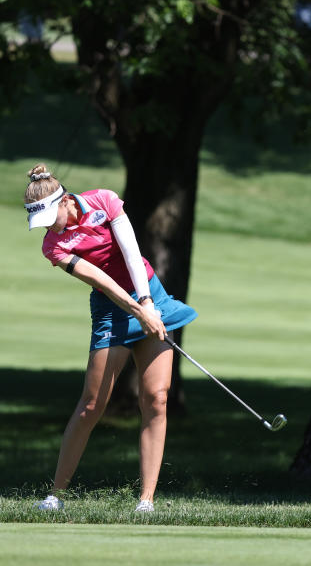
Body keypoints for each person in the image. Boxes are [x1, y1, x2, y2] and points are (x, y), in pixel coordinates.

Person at [22, 163, 197, 512]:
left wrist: (147, 302)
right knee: (92, 405)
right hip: (112, 309)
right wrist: (138, 310)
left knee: (156, 398)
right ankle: (55, 495)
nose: (47, 229)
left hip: (150, 292)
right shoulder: (52, 247)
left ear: (65, 201)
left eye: (48, 219)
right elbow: (102, 281)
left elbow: (132, 253)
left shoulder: (103, 201)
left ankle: (146, 501)